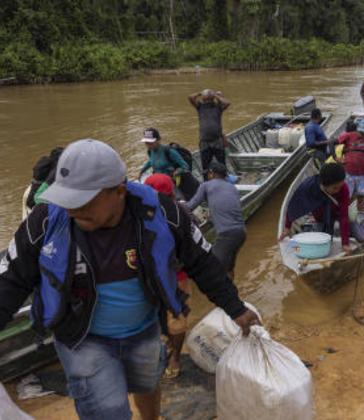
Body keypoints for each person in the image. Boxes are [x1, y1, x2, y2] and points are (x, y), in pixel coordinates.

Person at [0, 139, 259, 420]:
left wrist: (236, 309)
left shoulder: (162, 212)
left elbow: (202, 262)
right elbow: (11, 280)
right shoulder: (46, 221)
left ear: (119, 191)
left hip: (144, 330)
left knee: (147, 386)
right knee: (108, 411)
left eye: (82, 201)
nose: (71, 209)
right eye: (66, 198)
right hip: (82, 339)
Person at [144, 173, 191, 380]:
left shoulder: (179, 214)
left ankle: (175, 357)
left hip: (176, 274)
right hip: (153, 275)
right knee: (164, 318)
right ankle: (170, 349)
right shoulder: (139, 216)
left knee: (177, 319)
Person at [187, 161, 246, 280]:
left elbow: (190, 206)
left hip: (227, 235)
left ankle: (227, 297)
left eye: (208, 173)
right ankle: (233, 293)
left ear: (212, 174)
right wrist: (213, 216)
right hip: (241, 233)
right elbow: (230, 208)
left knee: (214, 269)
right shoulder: (232, 187)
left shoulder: (206, 185)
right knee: (228, 268)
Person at [279, 163, 352, 255]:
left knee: (360, 236)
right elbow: (293, 207)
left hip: (337, 214)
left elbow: (344, 217)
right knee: (313, 244)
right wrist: (287, 227)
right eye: (334, 188)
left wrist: (345, 243)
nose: (338, 190)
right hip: (320, 218)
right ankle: (297, 253)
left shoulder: (344, 189)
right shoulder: (309, 187)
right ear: (324, 185)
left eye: (340, 186)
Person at [188, 89, 230, 177]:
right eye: (206, 99)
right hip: (204, 142)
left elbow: (227, 103)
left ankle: (223, 180)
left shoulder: (218, 107)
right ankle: (207, 183)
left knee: (221, 164)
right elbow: (190, 97)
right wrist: (200, 93)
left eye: (209, 99)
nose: (207, 101)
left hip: (217, 141)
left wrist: (215, 95)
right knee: (205, 167)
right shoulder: (200, 107)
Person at [338, 119, 364, 213]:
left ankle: (360, 214)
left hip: (361, 174)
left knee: (361, 197)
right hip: (349, 173)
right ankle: (344, 214)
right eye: (360, 132)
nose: (362, 134)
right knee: (347, 197)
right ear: (357, 129)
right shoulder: (348, 135)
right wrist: (336, 158)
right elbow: (332, 142)